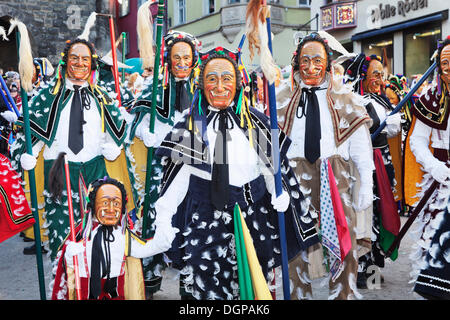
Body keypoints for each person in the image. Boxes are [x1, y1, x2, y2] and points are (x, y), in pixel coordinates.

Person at [152, 46, 319, 300]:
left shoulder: (256, 122)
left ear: (238, 83)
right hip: (206, 220)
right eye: (212, 78)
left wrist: (279, 192)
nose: (220, 86)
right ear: (201, 84)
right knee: (208, 289)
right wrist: (163, 218)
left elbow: (271, 169)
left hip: (253, 217)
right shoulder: (191, 124)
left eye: (227, 78)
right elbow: (176, 180)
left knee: (252, 286)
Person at [10, 38, 133, 265]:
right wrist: (29, 153)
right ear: (65, 61)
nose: (80, 63)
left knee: (99, 232)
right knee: (62, 234)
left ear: (92, 64)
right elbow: (32, 132)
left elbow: (119, 130)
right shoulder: (48, 95)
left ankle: (95, 283)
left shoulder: (102, 95)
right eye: (75, 58)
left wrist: (115, 147)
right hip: (58, 170)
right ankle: (64, 285)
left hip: (96, 170)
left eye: (85, 59)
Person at [278, 33, 374, 300]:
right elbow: (269, 149)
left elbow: (361, 148)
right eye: (305, 60)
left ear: (328, 63)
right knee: (295, 248)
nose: (311, 67)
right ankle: (298, 296)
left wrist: (366, 183)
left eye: (317, 60)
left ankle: (343, 296)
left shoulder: (346, 99)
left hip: (336, 177)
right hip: (294, 178)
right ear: (296, 63)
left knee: (344, 247)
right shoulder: (280, 98)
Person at [126, 30, 201, 298]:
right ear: (168, 60)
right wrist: (147, 133)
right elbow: (135, 123)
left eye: (187, 57)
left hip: (194, 168)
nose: (182, 62)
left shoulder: (204, 87)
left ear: (194, 60)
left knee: (192, 222)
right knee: (157, 220)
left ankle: (189, 282)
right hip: (160, 169)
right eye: (176, 57)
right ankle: (150, 278)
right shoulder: (154, 87)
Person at [51, 176, 176, 300]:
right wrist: (69, 255)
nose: (111, 209)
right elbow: (66, 270)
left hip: (116, 293)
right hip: (85, 292)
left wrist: (164, 230)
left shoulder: (122, 235)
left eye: (116, 203)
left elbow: (147, 248)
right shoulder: (82, 233)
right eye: (105, 203)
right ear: (93, 204)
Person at [342, 53, 402, 289]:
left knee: (382, 214)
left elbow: (395, 129)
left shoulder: (383, 100)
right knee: (366, 218)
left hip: (383, 164)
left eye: (381, 74)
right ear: (362, 76)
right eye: (375, 74)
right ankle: (360, 271)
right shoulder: (355, 102)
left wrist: (392, 120)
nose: (379, 79)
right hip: (364, 168)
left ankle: (375, 273)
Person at [408, 36, 450, 300]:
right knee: (435, 246)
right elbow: (417, 140)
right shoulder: (430, 99)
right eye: (445, 63)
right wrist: (434, 166)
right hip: (441, 183)